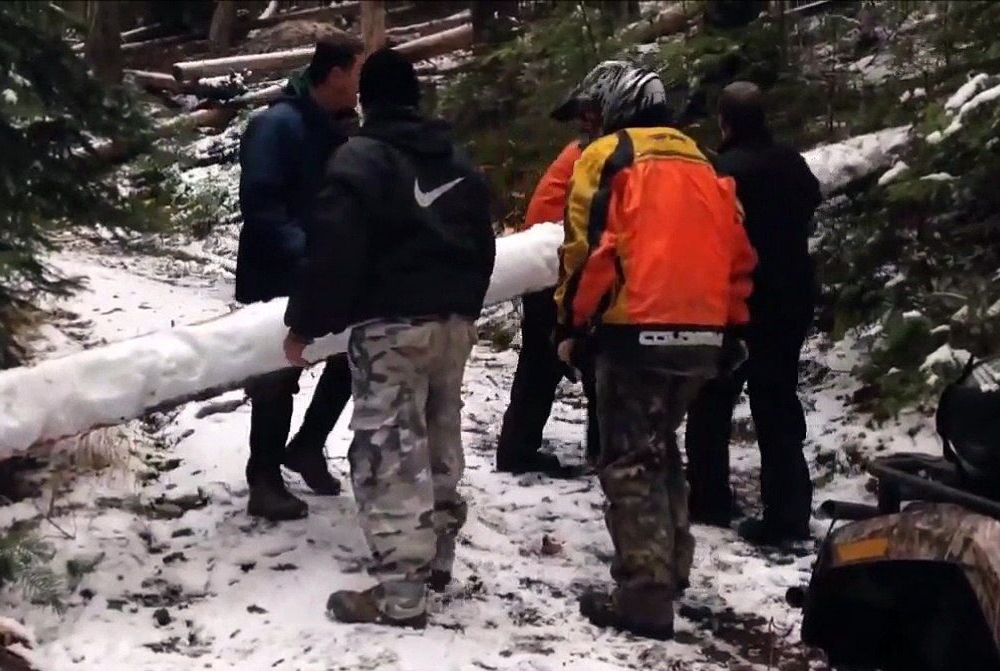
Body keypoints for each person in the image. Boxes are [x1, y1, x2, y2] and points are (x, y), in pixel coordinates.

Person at [282, 49, 496, 629]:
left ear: (366, 98)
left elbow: (335, 252)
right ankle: (439, 556)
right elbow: (485, 241)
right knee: (438, 437)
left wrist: (305, 323)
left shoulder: (361, 158)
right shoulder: (455, 160)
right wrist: (466, 309)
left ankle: (402, 590)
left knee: (388, 453)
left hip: (392, 329)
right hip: (455, 322)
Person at [555, 62, 757, 640]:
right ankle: (671, 568)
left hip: (634, 327)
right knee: (662, 450)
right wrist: (733, 326)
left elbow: (589, 249)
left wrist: (568, 321)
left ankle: (645, 594)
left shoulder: (609, 157)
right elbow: (738, 254)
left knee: (628, 459)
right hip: (704, 332)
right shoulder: (706, 162)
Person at [685, 81, 823, 546]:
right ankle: (788, 511)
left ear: (724, 123)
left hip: (741, 303)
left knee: (712, 400)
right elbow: (811, 201)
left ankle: (710, 497)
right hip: (793, 297)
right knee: (778, 402)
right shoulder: (792, 162)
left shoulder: (723, 172)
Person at [234, 35, 364, 522]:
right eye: (357, 72)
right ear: (334, 74)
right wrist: (310, 256)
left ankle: (308, 444)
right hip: (275, 272)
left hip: (325, 269)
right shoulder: (276, 126)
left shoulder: (336, 129)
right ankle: (263, 478)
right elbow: (263, 208)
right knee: (276, 375)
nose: (360, 84)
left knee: (350, 354)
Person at [494, 88, 603, 478]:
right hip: (555, 263)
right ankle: (521, 449)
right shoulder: (596, 156)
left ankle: (521, 446)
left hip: (549, 261)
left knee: (547, 360)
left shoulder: (583, 152)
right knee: (554, 359)